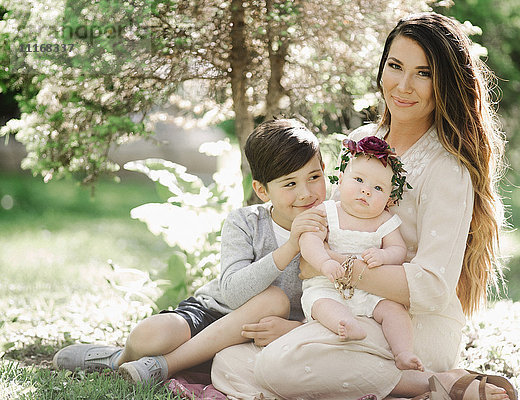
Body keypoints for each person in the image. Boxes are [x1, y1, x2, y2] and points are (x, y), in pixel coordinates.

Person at [209, 12, 517, 400]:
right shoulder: (361, 141)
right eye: (395, 66)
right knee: (228, 365)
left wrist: (345, 271)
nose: (403, 86)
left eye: (423, 73)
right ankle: (403, 388)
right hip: (341, 307)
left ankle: (440, 381)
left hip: (408, 322)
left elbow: (433, 286)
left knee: (276, 366)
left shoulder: (447, 168)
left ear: (445, 84)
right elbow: (329, 231)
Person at [53, 118, 328, 384]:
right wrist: (292, 245)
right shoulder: (245, 222)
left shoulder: (339, 226)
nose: (306, 193)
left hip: (264, 332)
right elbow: (232, 293)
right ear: (262, 190)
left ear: (324, 169)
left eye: (314, 177)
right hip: (215, 313)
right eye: (290, 183)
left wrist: (295, 328)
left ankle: (163, 366)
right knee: (149, 336)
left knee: (274, 302)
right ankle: (119, 359)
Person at [299, 135, 423, 372]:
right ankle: (343, 323)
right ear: (341, 180)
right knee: (321, 303)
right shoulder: (328, 211)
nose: (366, 191)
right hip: (328, 283)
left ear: (389, 197)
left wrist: (384, 257)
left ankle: (403, 352)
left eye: (378, 188)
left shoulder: (384, 220)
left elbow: (398, 249)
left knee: (394, 310)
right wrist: (324, 262)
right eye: (359, 180)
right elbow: (309, 241)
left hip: (371, 289)